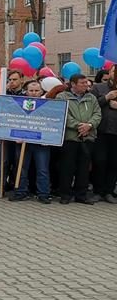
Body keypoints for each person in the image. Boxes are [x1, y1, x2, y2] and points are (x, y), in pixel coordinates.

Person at [57, 74, 101, 204]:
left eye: (86, 82)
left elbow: (97, 114)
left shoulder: (91, 98)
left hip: (88, 137)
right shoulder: (62, 97)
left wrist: (89, 125)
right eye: (82, 83)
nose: (86, 85)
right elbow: (63, 114)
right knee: (67, 167)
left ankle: (81, 195)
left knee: (84, 168)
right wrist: (79, 126)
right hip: (70, 138)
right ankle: (65, 195)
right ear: (73, 84)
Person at [9, 80, 51, 204]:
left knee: (42, 169)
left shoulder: (49, 105)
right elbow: (13, 121)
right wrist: (16, 136)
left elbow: (52, 123)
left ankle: (43, 194)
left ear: (41, 92)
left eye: (36, 90)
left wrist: (49, 138)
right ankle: (20, 192)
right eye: (31, 90)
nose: (34, 93)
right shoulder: (18, 105)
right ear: (26, 92)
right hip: (23, 142)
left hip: (42, 143)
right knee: (21, 168)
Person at [91, 65, 117, 203]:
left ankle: (109, 191)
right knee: (100, 161)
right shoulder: (98, 88)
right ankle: (98, 191)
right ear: (110, 72)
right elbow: (91, 105)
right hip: (101, 131)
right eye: (114, 70)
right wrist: (106, 98)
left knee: (114, 163)